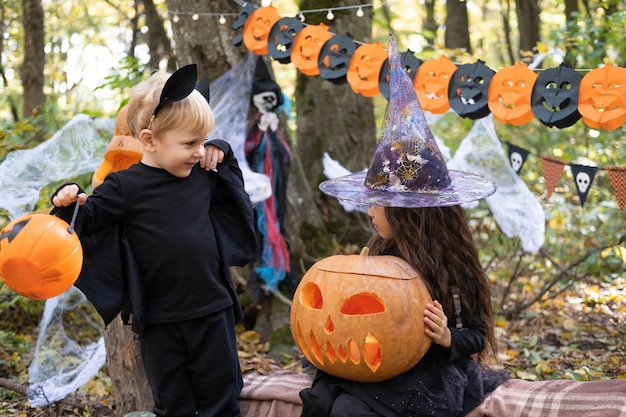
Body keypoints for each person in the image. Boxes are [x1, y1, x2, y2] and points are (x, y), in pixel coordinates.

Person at [300, 33, 508, 417]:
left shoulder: (449, 265)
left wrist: (447, 336)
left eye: (376, 205)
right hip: (375, 364)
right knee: (325, 399)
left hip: (425, 373)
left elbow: (475, 333)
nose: (369, 213)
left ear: (405, 212)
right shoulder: (380, 251)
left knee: (349, 410)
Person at [51, 64, 256, 417]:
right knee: (173, 403)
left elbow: (233, 187)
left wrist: (220, 149)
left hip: (212, 309)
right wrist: (68, 200)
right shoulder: (124, 187)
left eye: (203, 140)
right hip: (160, 320)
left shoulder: (202, 175)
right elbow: (85, 221)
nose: (198, 151)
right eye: (190, 143)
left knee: (221, 401)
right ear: (149, 140)